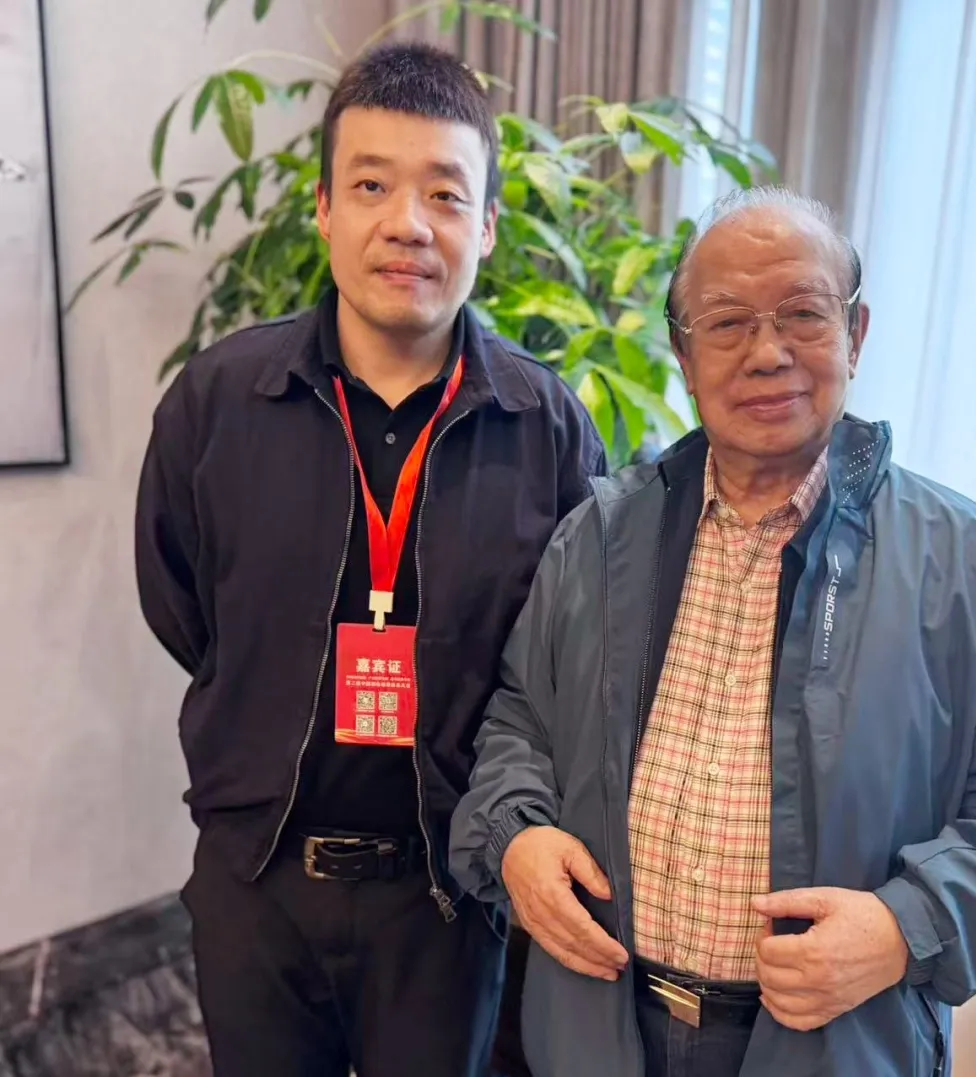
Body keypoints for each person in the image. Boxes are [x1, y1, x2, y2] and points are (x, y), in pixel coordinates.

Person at [449, 186, 976, 1077]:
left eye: (803, 314)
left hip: (832, 1042)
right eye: (727, 322)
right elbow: (519, 719)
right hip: (598, 1026)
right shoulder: (597, 536)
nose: (768, 351)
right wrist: (515, 833)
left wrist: (902, 926)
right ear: (683, 353)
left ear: (856, 334)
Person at [135, 43, 605, 1077]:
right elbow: (182, 604)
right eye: (372, 186)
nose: (408, 224)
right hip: (257, 881)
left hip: (449, 893)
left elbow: (569, 659)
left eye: (445, 194)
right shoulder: (217, 402)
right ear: (324, 209)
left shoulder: (547, 427)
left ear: (487, 225)